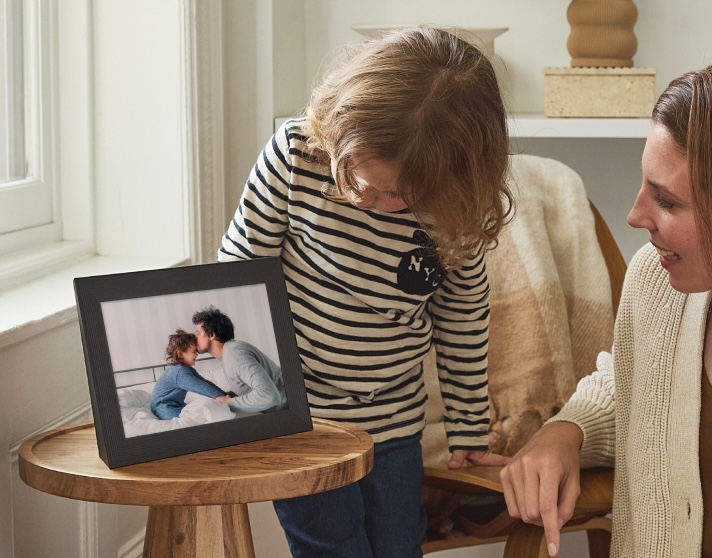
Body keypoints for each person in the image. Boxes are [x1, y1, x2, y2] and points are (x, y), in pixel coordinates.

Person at [217, 26, 513, 558]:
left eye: (395, 193)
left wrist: (470, 428)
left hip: (396, 423)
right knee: (331, 547)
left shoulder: (456, 209)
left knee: (399, 544)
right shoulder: (295, 156)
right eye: (353, 173)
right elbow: (238, 274)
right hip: (302, 420)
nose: (363, 198)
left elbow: (463, 321)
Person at [500, 59, 712, 558]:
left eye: (667, 201)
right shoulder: (657, 283)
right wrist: (567, 429)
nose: (636, 215)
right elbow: (642, 385)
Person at [192, 306, 287, 413]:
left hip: (291, 410)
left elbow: (269, 396)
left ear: (212, 335)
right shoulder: (228, 355)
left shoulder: (234, 354)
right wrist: (236, 396)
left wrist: (229, 403)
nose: (194, 337)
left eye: (198, 332)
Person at [149, 329, 231, 420]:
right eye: (194, 352)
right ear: (180, 354)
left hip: (175, 404)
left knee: (197, 413)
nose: (196, 355)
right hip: (163, 407)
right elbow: (199, 386)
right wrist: (218, 397)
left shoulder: (186, 369)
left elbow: (203, 382)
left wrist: (223, 393)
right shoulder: (179, 372)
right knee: (193, 420)